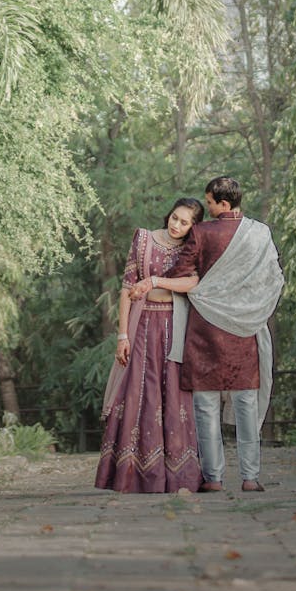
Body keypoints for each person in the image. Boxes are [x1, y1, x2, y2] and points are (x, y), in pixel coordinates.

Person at [128, 176, 284, 494]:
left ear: (222, 204)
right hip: (244, 330)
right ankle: (250, 477)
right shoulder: (260, 233)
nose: (207, 207)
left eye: (210, 202)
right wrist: (252, 308)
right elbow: (273, 277)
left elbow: (182, 272)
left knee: (206, 407)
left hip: (206, 331)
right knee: (246, 404)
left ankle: (213, 478)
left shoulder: (202, 232)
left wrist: (155, 280)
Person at [94, 198, 205, 493]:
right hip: (142, 325)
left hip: (175, 327)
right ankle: (131, 473)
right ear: (169, 214)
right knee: (138, 393)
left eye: (184, 223)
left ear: (193, 227)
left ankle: (178, 476)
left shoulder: (191, 249)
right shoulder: (143, 239)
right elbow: (127, 288)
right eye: (175, 218)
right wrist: (122, 335)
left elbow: (194, 283)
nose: (177, 225)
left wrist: (157, 281)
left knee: (174, 397)